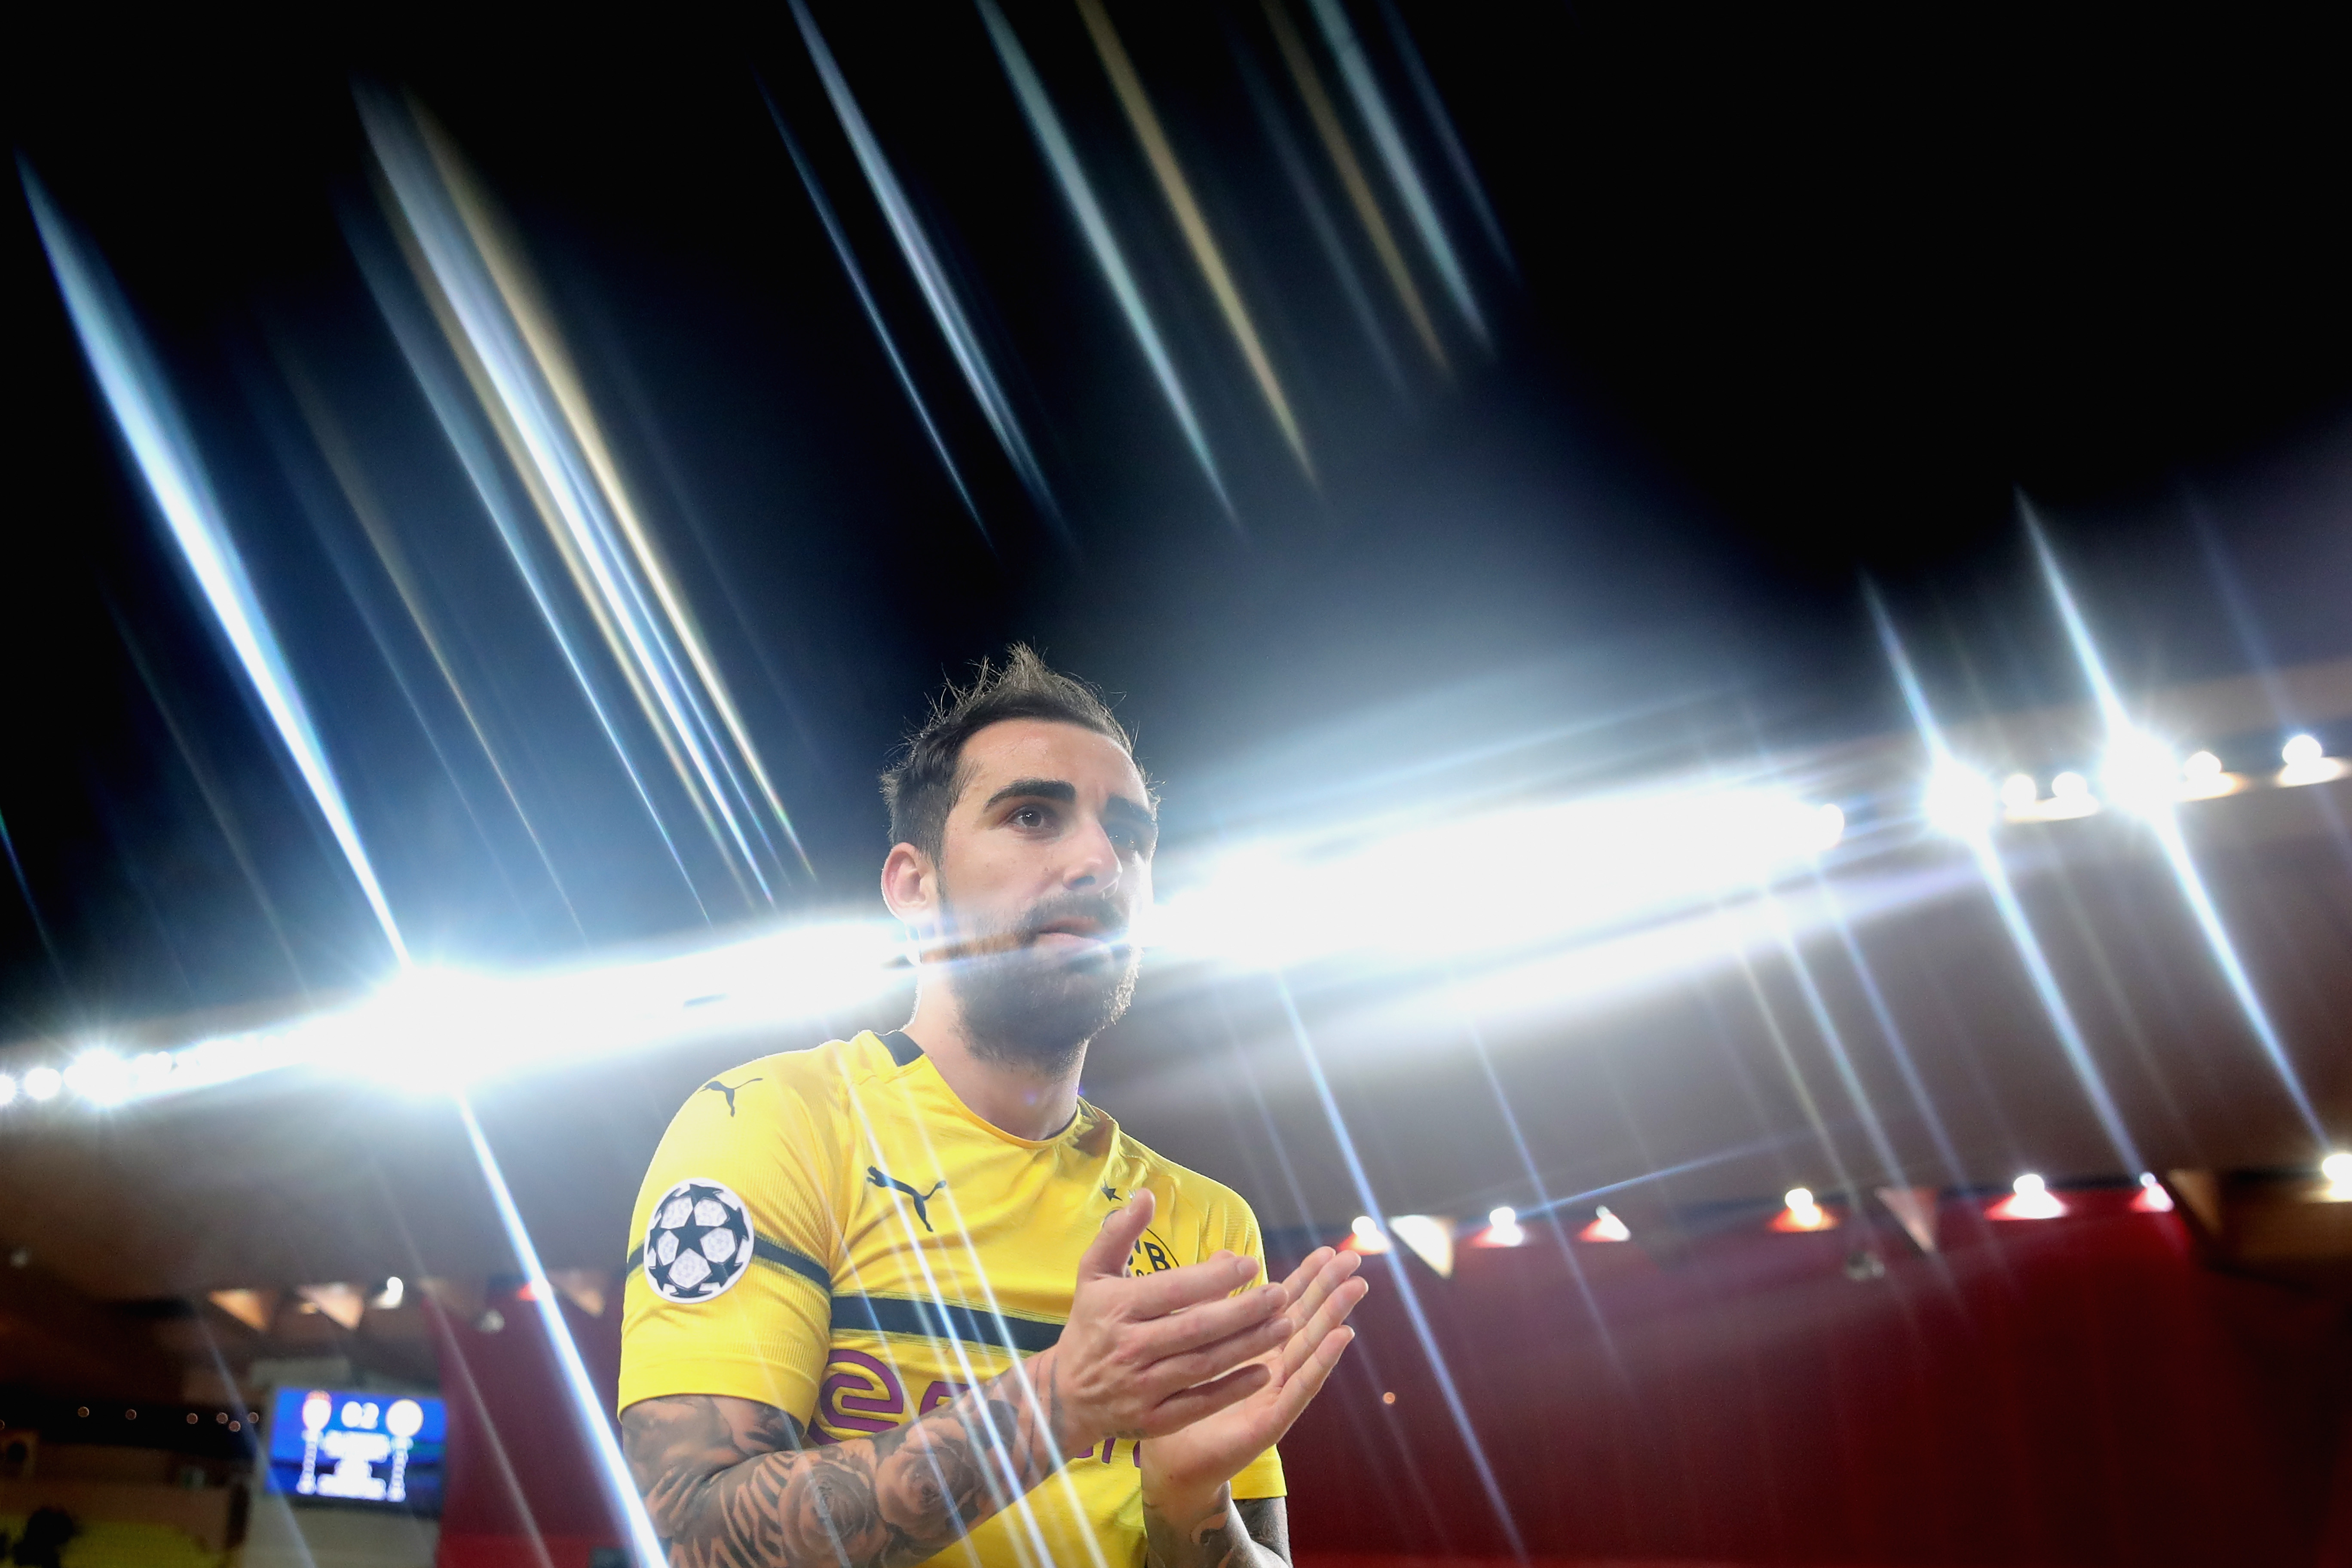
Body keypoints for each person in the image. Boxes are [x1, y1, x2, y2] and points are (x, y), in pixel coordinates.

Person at [619, 648, 1367, 1568]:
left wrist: (1189, 1503)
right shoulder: (774, 1125)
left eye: (1129, 836)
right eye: (1032, 816)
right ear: (913, 886)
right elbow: (694, 1537)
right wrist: (1056, 1403)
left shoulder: (1208, 1225)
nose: (1101, 858)